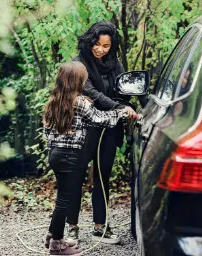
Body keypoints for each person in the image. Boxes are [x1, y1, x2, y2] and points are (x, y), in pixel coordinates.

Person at [43, 61, 132, 255]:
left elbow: (47, 132)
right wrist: (121, 112)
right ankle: (57, 244)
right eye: (84, 79)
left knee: (62, 196)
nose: (85, 82)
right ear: (77, 81)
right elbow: (101, 119)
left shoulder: (52, 102)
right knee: (64, 201)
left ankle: (52, 234)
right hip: (71, 156)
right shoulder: (81, 102)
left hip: (55, 155)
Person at [66, 20, 137, 244]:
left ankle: (100, 227)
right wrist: (120, 107)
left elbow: (126, 88)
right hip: (82, 130)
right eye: (97, 44)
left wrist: (132, 104)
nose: (100, 49)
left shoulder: (115, 64)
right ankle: (72, 228)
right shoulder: (78, 65)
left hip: (109, 130)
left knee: (102, 176)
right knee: (75, 177)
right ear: (89, 41)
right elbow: (93, 94)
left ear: (111, 46)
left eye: (106, 46)